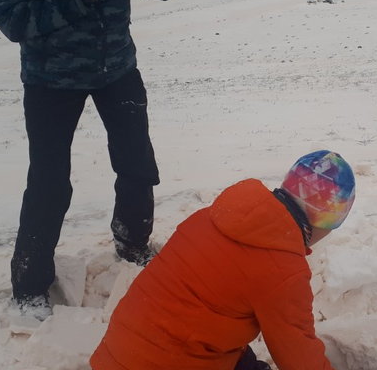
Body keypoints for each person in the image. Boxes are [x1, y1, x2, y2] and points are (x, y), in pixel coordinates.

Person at [0, 0, 191, 318]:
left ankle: (133, 244)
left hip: (117, 66)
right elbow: (14, 21)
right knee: (50, 183)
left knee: (137, 163)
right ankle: (30, 283)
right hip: (50, 80)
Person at [90, 150, 356, 370]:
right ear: (325, 221)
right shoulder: (282, 269)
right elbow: (299, 355)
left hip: (119, 352)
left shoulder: (213, 216)